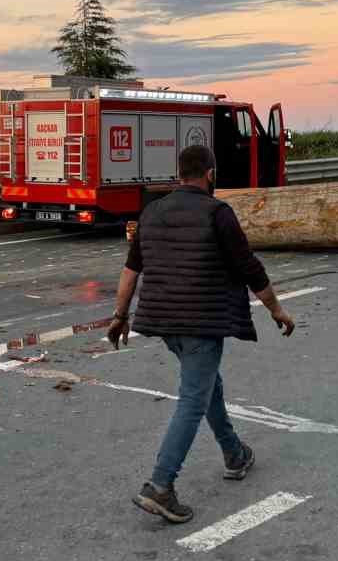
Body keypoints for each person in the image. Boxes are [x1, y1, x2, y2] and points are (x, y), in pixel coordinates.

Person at [108, 144, 296, 524]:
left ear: (180, 174)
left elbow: (131, 269)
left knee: (208, 385)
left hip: (163, 323)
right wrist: (276, 309)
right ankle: (160, 486)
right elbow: (248, 267)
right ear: (211, 173)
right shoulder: (217, 212)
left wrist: (119, 315)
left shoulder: (152, 211)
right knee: (193, 400)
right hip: (200, 322)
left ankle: (234, 454)